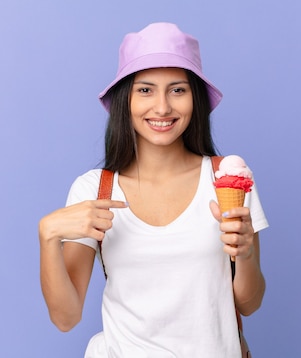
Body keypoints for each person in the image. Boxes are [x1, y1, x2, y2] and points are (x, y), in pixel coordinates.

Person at [39, 22, 269, 357]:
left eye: (178, 90)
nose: (162, 108)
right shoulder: (94, 189)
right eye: (145, 90)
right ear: (125, 100)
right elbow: (66, 317)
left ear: (196, 99)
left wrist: (245, 253)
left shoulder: (227, 180)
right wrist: (47, 236)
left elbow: (249, 304)